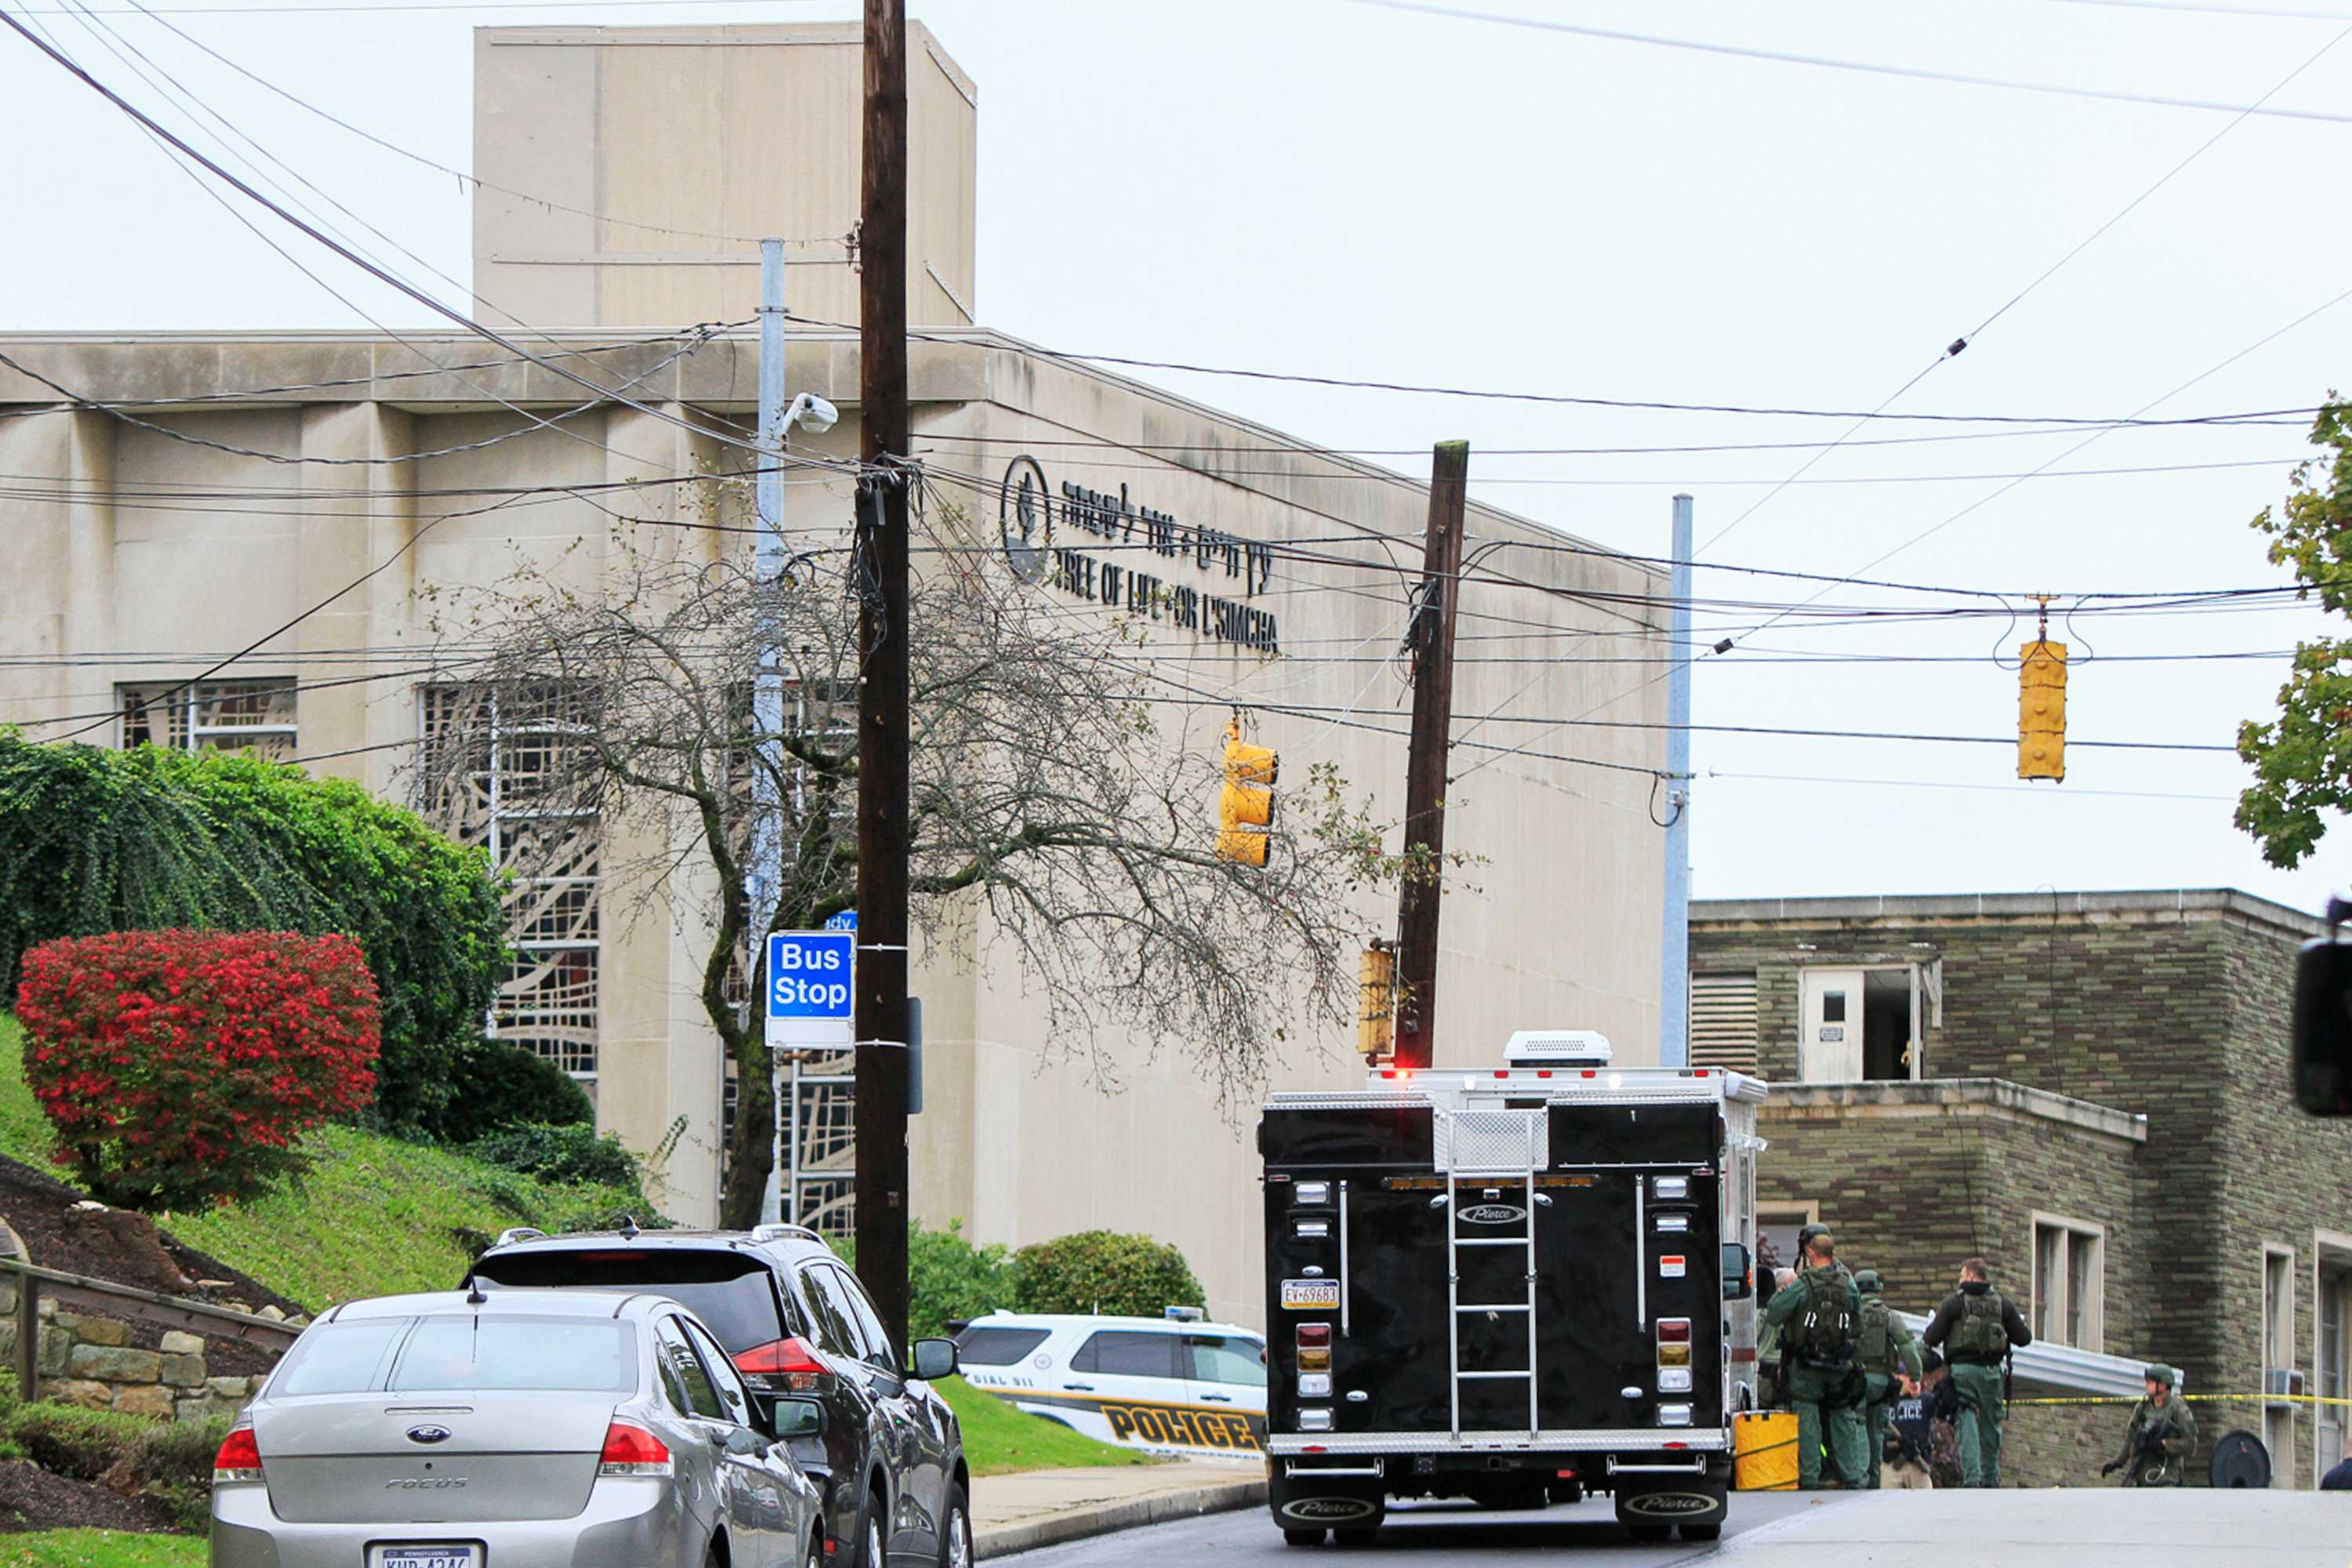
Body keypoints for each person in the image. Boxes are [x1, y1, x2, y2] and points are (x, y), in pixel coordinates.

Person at [1763, 1229, 1867, 1489]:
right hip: (1839, 1364)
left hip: (1805, 1364)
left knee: (1807, 1416)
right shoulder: (1848, 1283)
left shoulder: (1803, 1284)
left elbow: (1774, 1315)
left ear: (1810, 1252)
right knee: (1842, 1415)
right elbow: (1859, 1322)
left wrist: (1782, 1292)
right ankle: (1851, 1475)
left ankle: (1810, 1477)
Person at [1920, 1256, 2031, 1488]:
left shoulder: (1954, 1303)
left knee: (1966, 1417)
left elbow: (1931, 1337)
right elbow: (2024, 1338)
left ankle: (1972, 1478)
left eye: (1961, 1275)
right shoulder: (2003, 1304)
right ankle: (1991, 1477)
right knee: (1991, 1423)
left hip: (1963, 1372)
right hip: (1992, 1372)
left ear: (1970, 1276)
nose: (1960, 1280)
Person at [1853, 1269, 1924, 1491]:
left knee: (1858, 1423)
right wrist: (1915, 1376)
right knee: (1876, 1429)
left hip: (1854, 1380)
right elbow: (1907, 1347)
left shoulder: (1851, 1314)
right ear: (1879, 1290)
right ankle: (1874, 1481)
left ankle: (1860, 1478)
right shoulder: (1889, 1316)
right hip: (1882, 1381)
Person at [2102, 1365, 2198, 1486]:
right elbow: (2131, 1436)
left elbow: (2190, 1445)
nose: (2146, 1385)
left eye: (2151, 1382)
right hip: (2141, 1471)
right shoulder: (2142, 1407)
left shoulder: (2179, 1410)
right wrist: (2118, 1462)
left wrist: (2164, 1444)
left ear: (2162, 1385)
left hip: (2166, 1473)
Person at [1881, 1374, 1936, 1490]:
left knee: (1926, 1504)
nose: (1914, 1382)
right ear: (1897, 1377)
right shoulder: (1884, 1400)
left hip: (1918, 1464)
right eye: (1908, 1377)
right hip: (1891, 1465)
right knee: (1886, 1505)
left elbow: (1944, 1409)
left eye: (1916, 1378)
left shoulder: (1926, 1400)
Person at [1757, 1266, 1798, 1408]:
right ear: (1785, 1285)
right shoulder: (1786, 1310)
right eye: (1795, 1283)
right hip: (1775, 1372)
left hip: (1768, 1372)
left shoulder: (1759, 1311)